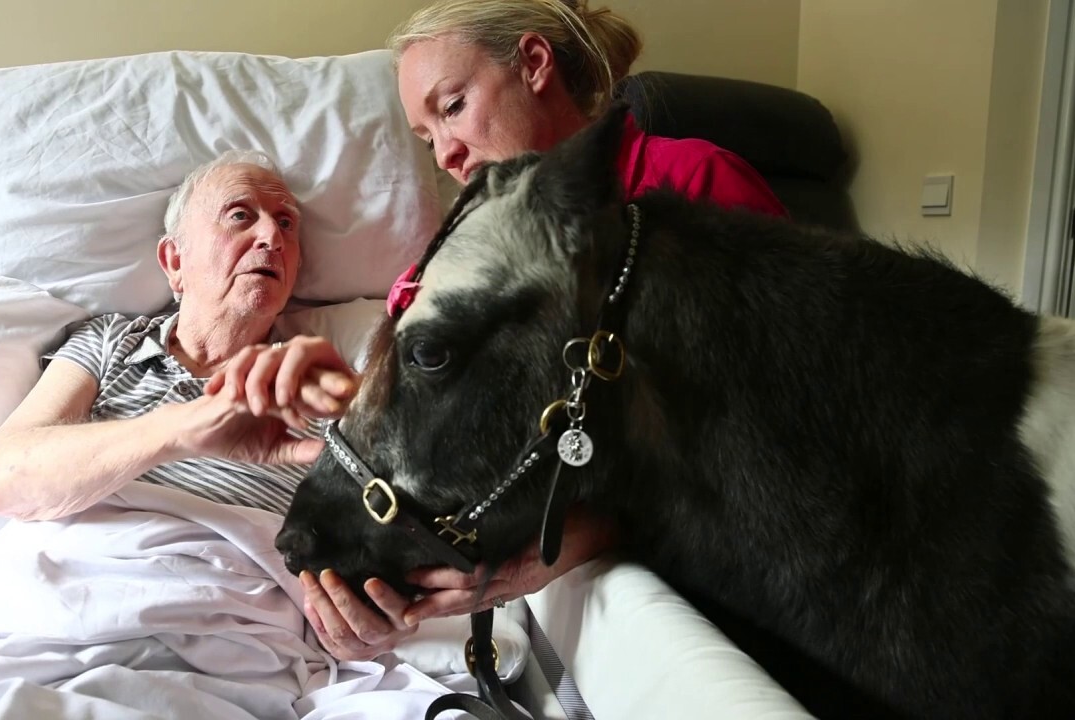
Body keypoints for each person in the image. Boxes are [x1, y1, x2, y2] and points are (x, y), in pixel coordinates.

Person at [298, 0, 792, 661]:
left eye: (452, 107)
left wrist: (569, 541)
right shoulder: (443, 275)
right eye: (426, 138)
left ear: (533, 64)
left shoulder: (693, 182)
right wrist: (352, 585)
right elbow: (404, 439)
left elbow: (766, 434)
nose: (445, 153)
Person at [0, 150, 401, 659]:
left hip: (227, 635)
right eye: (241, 216)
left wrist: (360, 625)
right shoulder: (110, 343)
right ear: (175, 261)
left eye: (287, 224)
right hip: (55, 609)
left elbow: (376, 558)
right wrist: (180, 428)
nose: (272, 238)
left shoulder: (317, 383)